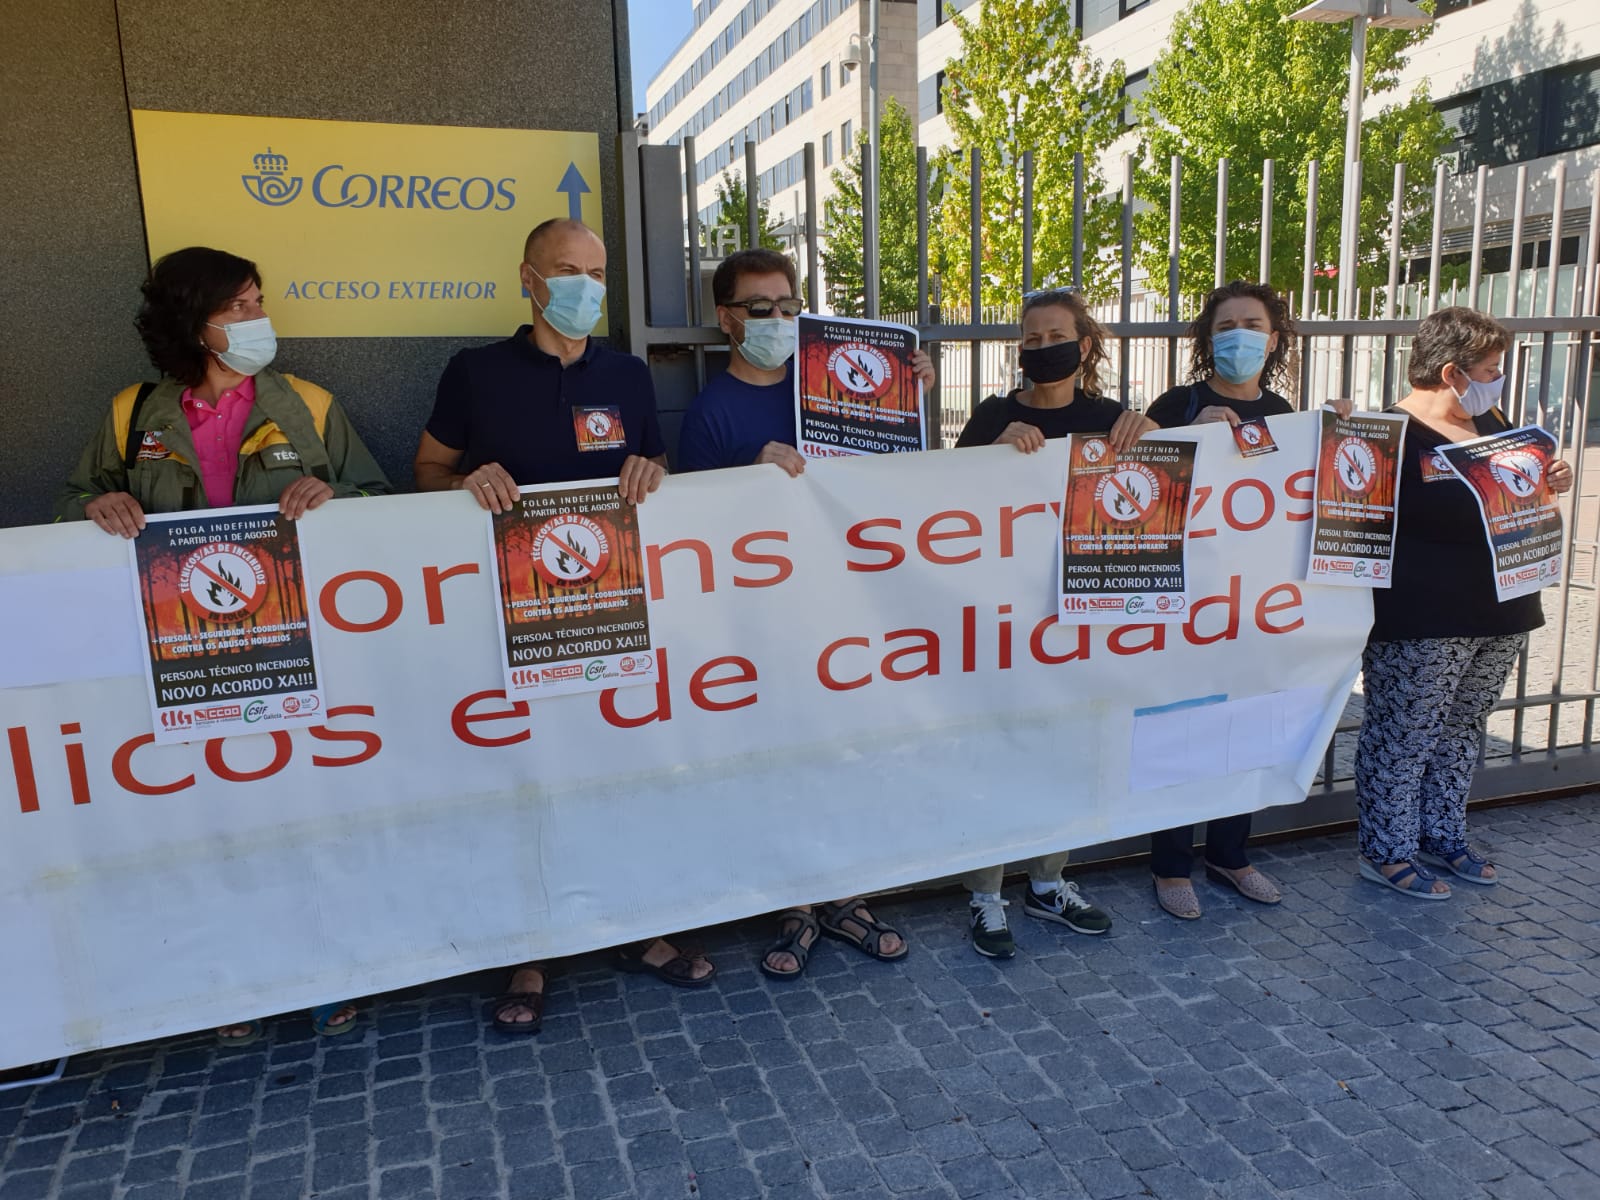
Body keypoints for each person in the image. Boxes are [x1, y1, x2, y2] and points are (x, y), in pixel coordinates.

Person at [58, 245, 391, 1045]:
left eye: (258, 301)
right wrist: (96, 508)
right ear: (192, 322)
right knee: (204, 822)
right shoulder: (133, 413)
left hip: (289, 642)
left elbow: (379, 501)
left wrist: (332, 496)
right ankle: (229, 981)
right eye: (239, 307)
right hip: (181, 655)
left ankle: (323, 973)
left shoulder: (307, 403)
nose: (258, 318)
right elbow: (74, 503)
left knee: (302, 810)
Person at [415, 217, 711, 1033]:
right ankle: (530, 953)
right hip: (511, 616)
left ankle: (636, 928)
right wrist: (463, 484)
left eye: (597, 272)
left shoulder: (628, 375)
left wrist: (652, 469)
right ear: (529, 278)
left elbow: (655, 469)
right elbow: (427, 469)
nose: (586, 286)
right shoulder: (475, 373)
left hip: (613, 610)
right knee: (528, 782)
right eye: (568, 269)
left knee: (620, 770)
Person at [677, 247, 935, 979]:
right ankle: (794, 904)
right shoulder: (710, 412)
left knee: (845, 750)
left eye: (789, 306)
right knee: (778, 756)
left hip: (850, 605)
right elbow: (689, 537)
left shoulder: (835, 388)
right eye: (760, 308)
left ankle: (846, 895)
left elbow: (904, 484)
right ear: (727, 318)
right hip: (761, 621)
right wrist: (748, 478)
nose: (778, 319)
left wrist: (910, 396)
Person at [1141, 280, 1353, 919]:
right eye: (1226, 325)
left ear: (1275, 337)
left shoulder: (1283, 410)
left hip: (1257, 599)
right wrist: (1187, 435)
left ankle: (1230, 855)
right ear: (1209, 340)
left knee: (1248, 725)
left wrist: (1338, 432)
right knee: (1184, 727)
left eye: (1252, 324)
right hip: (1190, 599)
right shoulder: (1177, 402)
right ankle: (1170, 865)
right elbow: (1139, 485)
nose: (1240, 336)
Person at [952, 287, 1151, 958]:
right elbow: (940, 502)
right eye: (1031, 339)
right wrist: (988, 451)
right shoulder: (992, 415)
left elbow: (1172, 486)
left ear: (1085, 345)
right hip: (1004, 614)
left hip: (1078, 618)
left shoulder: (1112, 419)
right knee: (996, 746)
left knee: (1064, 748)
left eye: (1056, 336)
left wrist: (1154, 433)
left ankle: (1046, 882)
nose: (1042, 348)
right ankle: (985, 894)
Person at [1355, 306, 1572, 898]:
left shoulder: (1492, 420)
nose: (1498, 380)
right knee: (1404, 734)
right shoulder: (1388, 435)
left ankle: (1442, 835)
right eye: (1490, 369)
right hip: (1422, 615)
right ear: (1451, 372)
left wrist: (1551, 476)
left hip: (1503, 608)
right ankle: (1386, 850)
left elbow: (1518, 489)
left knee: (1461, 729)